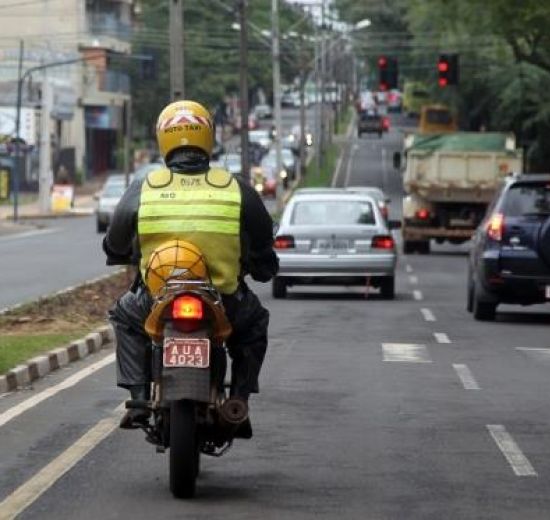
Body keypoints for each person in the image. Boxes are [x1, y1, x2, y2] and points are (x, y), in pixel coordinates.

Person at [103, 100, 278, 433]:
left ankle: (139, 396)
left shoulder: (146, 187)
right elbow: (262, 239)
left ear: (163, 139)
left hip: (157, 299)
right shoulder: (235, 188)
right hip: (223, 301)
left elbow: (116, 239)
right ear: (208, 137)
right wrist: (264, 265)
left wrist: (115, 251)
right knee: (253, 326)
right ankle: (239, 399)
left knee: (124, 317)